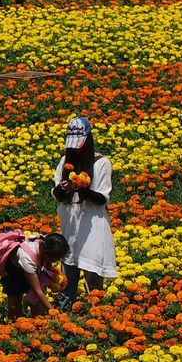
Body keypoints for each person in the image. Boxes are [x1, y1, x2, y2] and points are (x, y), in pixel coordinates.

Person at [52, 116, 118, 309]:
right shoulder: (65, 161)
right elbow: (56, 194)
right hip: (70, 227)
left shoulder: (101, 163)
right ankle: (65, 318)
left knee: (93, 278)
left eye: (79, 145)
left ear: (88, 140)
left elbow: (102, 198)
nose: (75, 149)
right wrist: (64, 189)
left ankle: (98, 316)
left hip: (93, 227)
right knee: (67, 279)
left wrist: (83, 188)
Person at [2, 232, 69, 317]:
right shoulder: (28, 258)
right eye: (57, 258)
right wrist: (53, 312)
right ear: (48, 255)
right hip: (13, 273)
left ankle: (38, 323)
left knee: (37, 305)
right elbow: (37, 291)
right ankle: (13, 325)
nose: (58, 260)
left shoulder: (44, 243)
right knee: (15, 309)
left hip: (29, 269)